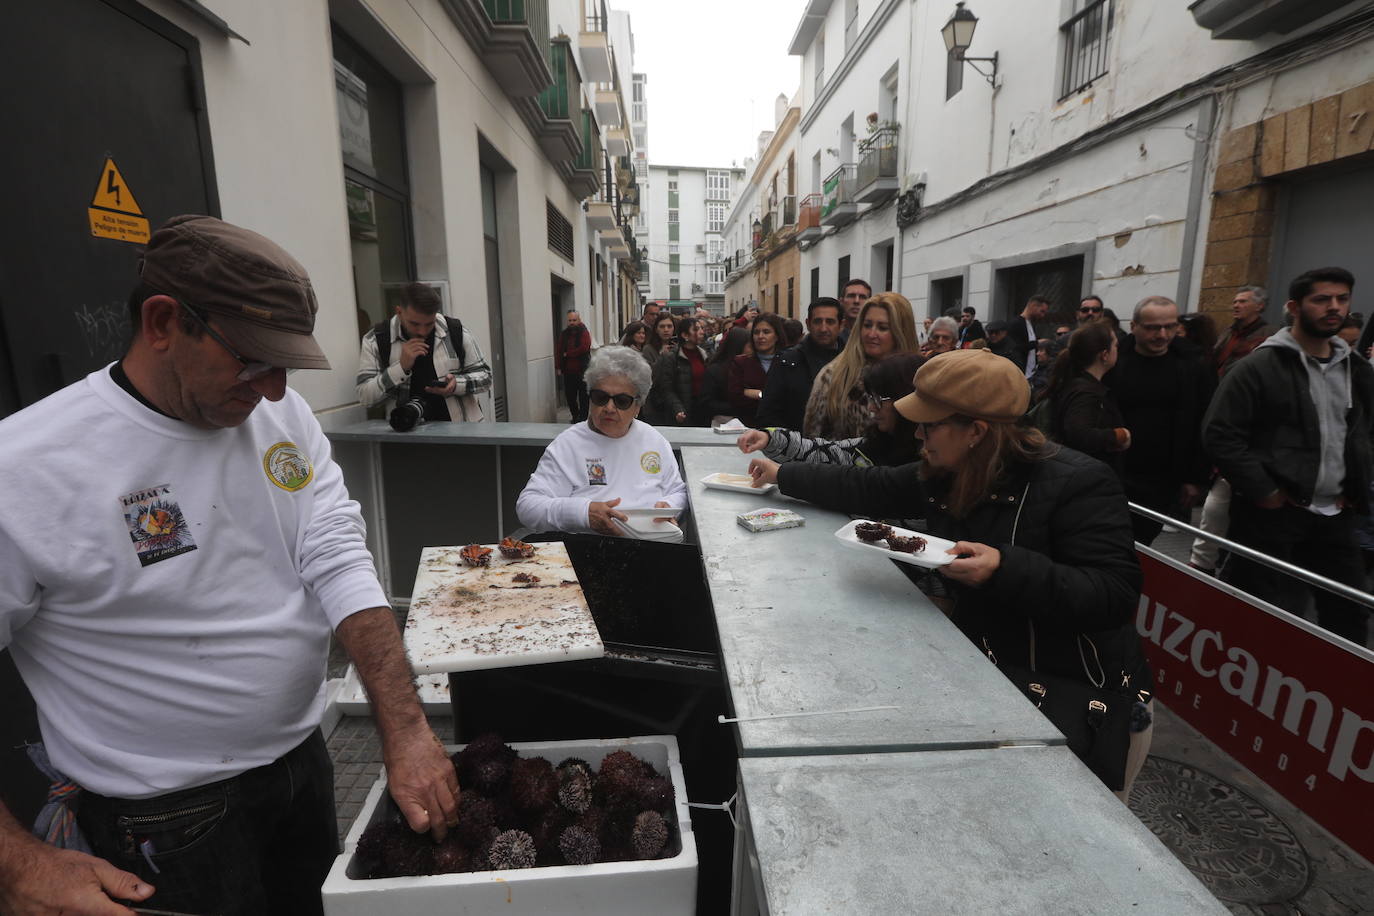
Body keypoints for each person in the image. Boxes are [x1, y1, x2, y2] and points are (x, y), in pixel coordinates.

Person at [0, 215, 456, 915]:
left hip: (302, 768)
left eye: (286, 367)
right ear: (162, 323)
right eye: (253, 360)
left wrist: (406, 729)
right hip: (162, 825)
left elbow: (334, 553)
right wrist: (19, 865)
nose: (274, 390)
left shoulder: (281, 419)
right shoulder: (25, 468)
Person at [748, 348, 1151, 799]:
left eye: (930, 424)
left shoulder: (1080, 483)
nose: (918, 434)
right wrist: (782, 474)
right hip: (1000, 687)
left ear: (976, 431)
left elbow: (1114, 594)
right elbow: (869, 485)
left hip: (1081, 706)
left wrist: (1004, 567)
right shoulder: (946, 471)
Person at [1203, 267, 1372, 646]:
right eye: (1321, 299)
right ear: (1295, 307)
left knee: (1348, 617)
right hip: (1274, 516)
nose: (1334, 308)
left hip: (1335, 516)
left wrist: (1356, 484)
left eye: (1342, 299)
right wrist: (1265, 491)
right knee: (1265, 615)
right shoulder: (1260, 366)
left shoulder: (1354, 369)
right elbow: (1220, 434)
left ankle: (1335, 695)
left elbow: (1361, 433)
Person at [516, 346, 687, 536]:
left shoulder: (654, 440)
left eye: (622, 401)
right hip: (588, 550)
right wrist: (582, 513)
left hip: (650, 546)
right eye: (600, 397)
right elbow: (528, 506)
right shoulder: (568, 444)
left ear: (638, 405)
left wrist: (669, 507)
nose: (609, 408)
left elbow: (678, 491)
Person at [1104, 295, 1214, 545]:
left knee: (1142, 539)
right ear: (1134, 326)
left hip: (1164, 475)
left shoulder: (1193, 365)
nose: (1162, 335)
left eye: (1170, 327)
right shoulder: (1113, 361)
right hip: (1116, 469)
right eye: (1152, 327)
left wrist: (1195, 477)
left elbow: (1204, 420)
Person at [737, 353, 925, 469]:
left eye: (878, 399)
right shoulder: (871, 446)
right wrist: (769, 439)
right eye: (869, 398)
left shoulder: (927, 461)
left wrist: (783, 476)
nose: (870, 408)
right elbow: (821, 452)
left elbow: (865, 485)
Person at [356, 281, 492, 422]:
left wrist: (456, 385)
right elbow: (365, 397)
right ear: (399, 312)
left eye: (429, 324)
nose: (422, 331)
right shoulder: (376, 340)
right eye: (414, 324)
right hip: (405, 436)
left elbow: (486, 377)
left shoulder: (454, 331)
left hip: (461, 433)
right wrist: (400, 368)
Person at [804, 292, 918, 439]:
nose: (871, 334)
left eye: (882, 327)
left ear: (900, 331)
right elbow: (812, 439)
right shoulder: (833, 375)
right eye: (867, 325)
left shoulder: (918, 375)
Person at [1041, 322, 1130, 473]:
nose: (1117, 350)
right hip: (1084, 475)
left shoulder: (1077, 384)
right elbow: (1079, 434)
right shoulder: (1085, 393)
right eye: (1115, 345)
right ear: (1104, 355)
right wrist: (1120, 435)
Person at [756, 298, 843, 431]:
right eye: (817, 321)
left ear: (841, 325)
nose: (823, 328)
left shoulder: (853, 362)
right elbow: (767, 414)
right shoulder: (787, 362)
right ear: (808, 324)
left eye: (830, 322)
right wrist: (792, 445)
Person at [728, 312, 787, 427]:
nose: (760, 336)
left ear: (777, 336)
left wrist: (756, 393)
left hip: (780, 429)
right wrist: (766, 396)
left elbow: (789, 400)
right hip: (748, 426)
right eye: (756, 332)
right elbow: (735, 397)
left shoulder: (787, 362)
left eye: (766, 332)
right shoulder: (741, 363)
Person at [652, 315, 708, 426]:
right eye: (696, 329)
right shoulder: (671, 357)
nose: (701, 332)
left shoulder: (705, 355)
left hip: (702, 410)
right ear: (685, 335)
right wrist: (677, 409)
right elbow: (667, 389)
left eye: (701, 328)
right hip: (681, 412)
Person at [1213, 286, 1275, 377]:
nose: (1236, 305)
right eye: (1235, 302)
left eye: (1242, 301)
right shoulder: (1228, 332)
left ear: (1259, 306)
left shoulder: (1269, 334)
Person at [698, 327, 752, 426]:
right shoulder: (715, 370)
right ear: (739, 347)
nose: (752, 351)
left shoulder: (751, 368)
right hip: (722, 423)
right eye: (749, 347)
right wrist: (738, 407)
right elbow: (706, 403)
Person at [556, 310, 593, 423]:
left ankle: (583, 419)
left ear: (579, 320)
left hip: (582, 370)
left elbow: (584, 348)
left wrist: (568, 353)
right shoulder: (564, 334)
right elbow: (559, 350)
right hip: (568, 371)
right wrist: (558, 366)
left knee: (584, 397)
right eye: (570, 320)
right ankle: (575, 416)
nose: (572, 322)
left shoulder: (584, 332)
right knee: (570, 397)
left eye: (574, 320)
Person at [1007, 295, 1051, 378]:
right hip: (1019, 374)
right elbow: (1015, 348)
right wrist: (1037, 343)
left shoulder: (1032, 324)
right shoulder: (1015, 324)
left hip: (1030, 374)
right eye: (1042, 311)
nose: (1043, 315)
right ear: (1033, 305)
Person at [837, 278, 874, 342]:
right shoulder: (832, 334)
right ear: (841, 301)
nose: (856, 301)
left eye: (862, 297)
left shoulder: (875, 335)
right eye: (851, 296)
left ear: (870, 303)